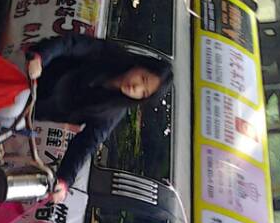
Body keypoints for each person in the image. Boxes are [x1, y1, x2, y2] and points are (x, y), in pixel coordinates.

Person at [23, 33, 172, 199]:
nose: (136, 88)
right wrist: (41, 57)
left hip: (30, 109)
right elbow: (70, 43)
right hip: (28, 71)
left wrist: (64, 181)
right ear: (140, 65)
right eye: (143, 78)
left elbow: (86, 144)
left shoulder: (112, 113)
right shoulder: (110, 54)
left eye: (143, 93)